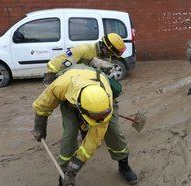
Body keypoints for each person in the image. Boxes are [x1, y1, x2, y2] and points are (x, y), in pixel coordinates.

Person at [38, 33, 138, 185]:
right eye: (113, 53)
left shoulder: (108, 61)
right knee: (70, 134)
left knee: (114, 130)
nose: (114, 57)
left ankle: (123, 165)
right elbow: (54, 66)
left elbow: (93, 141)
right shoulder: (83, 50)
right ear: (106, 47)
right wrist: (40, 124)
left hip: (99, 95)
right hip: (72, 94)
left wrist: (101, 108)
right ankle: (64, 172)